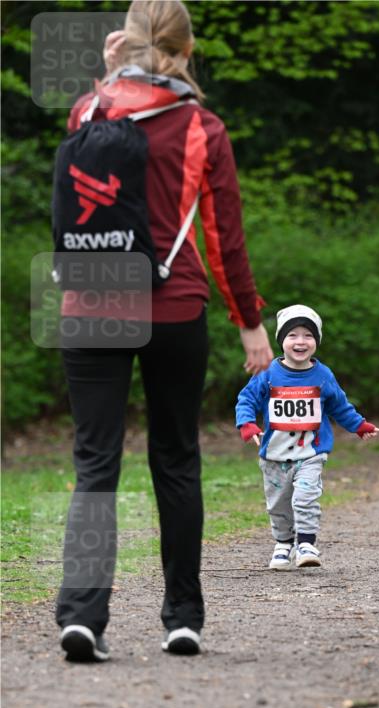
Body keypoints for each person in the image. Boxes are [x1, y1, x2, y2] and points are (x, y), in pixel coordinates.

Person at [56, 0, 273, 662]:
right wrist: (249, 324)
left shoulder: (87, 111)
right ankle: (182, 617)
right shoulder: (202, 127)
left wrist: (107, 75)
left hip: (90, 305)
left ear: (125, 43)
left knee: (95, 464)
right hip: (172, 307)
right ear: (186, 51)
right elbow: (223, 240)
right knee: (175, 459)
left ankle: (82, 616)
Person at [236, 305, 379, 570]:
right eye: (292, 335)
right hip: (275, 454)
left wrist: (359, 425)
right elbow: (246, 399)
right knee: (278, 505)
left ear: (317, 341)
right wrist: (247, 424)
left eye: (308, 335)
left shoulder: (323, 376)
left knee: (305, 497)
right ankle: (283, 544)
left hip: (311, 452)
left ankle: (306, 544)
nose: (300, 341)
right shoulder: (267, 373)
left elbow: (339, 406)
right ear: (281, 340)